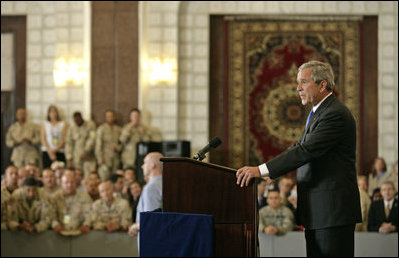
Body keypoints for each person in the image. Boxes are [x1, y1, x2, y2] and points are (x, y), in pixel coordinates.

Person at [236, 61, 361, 257]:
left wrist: (260, 170)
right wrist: (269, 172)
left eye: (303, 82)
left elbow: (305, 150)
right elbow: (298, 147)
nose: (298, 88)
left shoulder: (334, 114)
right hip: (320, 212)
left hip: (332, 212)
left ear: (322, 85)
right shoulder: (318, 112)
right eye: (297, 83)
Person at [128, 152, 163, 237]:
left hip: (151, 239)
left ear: (152, 165)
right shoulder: (166, 183)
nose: (142, 166)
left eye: (145, 162)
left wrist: (135, 227)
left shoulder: (151, 188)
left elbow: (150, 221)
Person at [65, 112, 97, 178]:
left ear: (81, 118)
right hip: (76, 157)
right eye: (75, 121)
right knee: (77, 176)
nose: (77, 122)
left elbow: (93, 138)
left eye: (78, 120)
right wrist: (69, 158)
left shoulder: (91, 125)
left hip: (89, 158)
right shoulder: (71, 128)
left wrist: (86, 151)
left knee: (89, 177)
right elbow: (69, 143)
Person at [95, 110, 122, 181]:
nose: (110, 118)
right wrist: (100, 160)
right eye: (108, 116)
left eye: (111, 116)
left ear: (114, 117)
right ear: (105, 118)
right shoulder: (101, 129)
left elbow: (122, 144)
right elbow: (98, 146)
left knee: (115, 179)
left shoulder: (118, 129)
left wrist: (117, 148)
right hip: (105, 159)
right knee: (104, 179)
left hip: (116, 159)